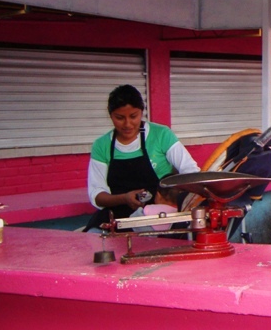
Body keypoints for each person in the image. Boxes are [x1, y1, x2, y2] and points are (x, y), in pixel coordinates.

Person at [84, 84, 199, 231]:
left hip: (156, 220)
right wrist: (124, 198)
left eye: (133, 116)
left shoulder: (161, 135)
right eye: (120, 118)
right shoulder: (101, 145)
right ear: (110, 115)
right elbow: (97, 196)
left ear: (142, 112)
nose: (127, 124)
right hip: (115, 219)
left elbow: (191, 173)